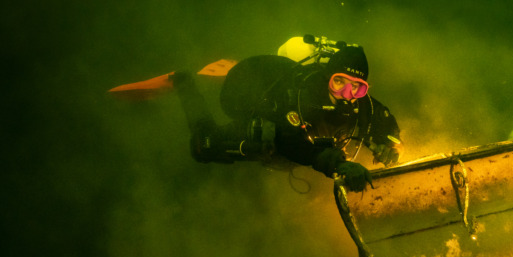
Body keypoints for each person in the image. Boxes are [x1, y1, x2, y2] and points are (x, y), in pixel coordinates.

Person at [172, 39, 402, 192]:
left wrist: (390, 144)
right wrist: (338, 165)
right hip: (273, 136)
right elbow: (289, 141)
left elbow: (385, 120)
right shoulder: (302, 95)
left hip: (301, 160)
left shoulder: (362, 104)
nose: (345, 93)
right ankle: (183, 82)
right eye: (339, 82)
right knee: (203, 145)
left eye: (356, 87)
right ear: (327, 78)